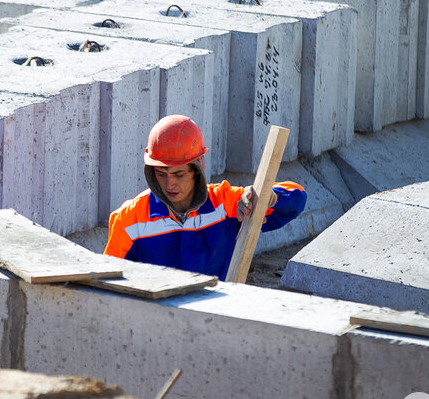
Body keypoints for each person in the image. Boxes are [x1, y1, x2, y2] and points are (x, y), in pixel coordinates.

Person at [104, 115, 306, 279]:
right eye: (161, 174)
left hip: (214, 318)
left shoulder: (226, 203)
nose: (169, 184)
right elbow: (108, 280)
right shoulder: (129, 219)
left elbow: (297, 197)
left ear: (198, 168)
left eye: (178, 174)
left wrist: (269, 197)